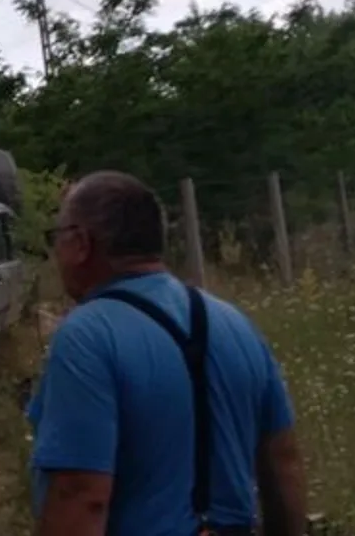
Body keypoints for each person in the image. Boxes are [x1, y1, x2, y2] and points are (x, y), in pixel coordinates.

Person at [28, 171, 307, 536]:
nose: (57, 253)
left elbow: (81, 495)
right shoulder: (236, 323)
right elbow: (282, 462)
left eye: (58, 237)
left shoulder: (87, 335)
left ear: (81, 243)